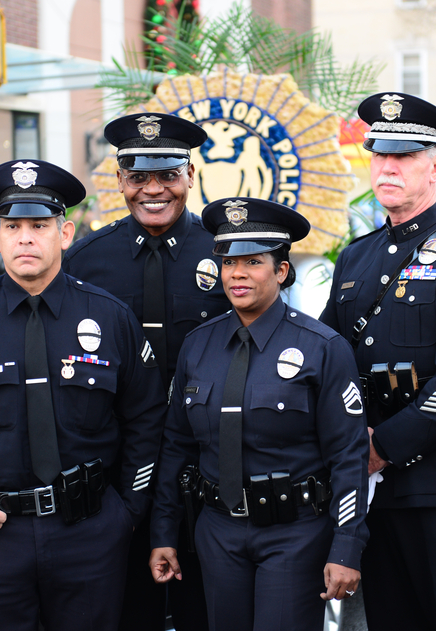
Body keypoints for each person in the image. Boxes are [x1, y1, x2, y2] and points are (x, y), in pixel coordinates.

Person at [0, 159, 168, 631]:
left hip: (89, 533)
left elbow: (146, 419)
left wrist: (126, 510)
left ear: (64, 234)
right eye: (13, 226)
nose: (26, 237)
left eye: (40, 225)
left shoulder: (110, 318)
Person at [319, 92, 436, 630]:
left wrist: (382, 446)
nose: (387, 167)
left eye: (402, 156)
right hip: (372, 486)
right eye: (380, 154)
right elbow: (328, 358)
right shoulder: (357, 256)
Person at [149, 198, 368, 631]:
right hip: (216, 532)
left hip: (295, 533)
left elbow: (349, 455)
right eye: (229, 263)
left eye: (253, 262)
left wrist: (347, 545)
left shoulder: (322, 347)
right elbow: (175, 445)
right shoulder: (198, 345)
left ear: (281, 271)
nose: (238, 274)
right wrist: (163, 533)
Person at [64, 113, 229, 631]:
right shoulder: (85, 261)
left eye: (167, 175)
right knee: (128, 608)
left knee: (207, 607)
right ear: (119, 180)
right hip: (118, 471)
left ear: (191, 175)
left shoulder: (227, 252)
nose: (153, 190)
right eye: (137, 177)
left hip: (209, 466)